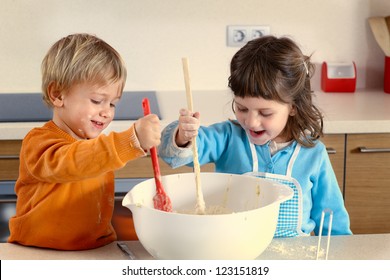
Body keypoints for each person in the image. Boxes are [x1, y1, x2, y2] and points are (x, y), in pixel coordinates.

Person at [158, 35, 352, 237]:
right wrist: (183, 135)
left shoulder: (313, 154)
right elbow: (175, 154)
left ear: (293, 107)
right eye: (242, 108)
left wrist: (342, 258)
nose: (250, 122)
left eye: (265, 113)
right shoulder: (227, 138)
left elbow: (331, 217)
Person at [8, 33, 161, 250]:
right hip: (37, 250)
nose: (107, 112)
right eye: (97, 101)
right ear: (58, 94)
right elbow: (72, 162)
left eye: (113, 104)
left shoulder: (95, 147)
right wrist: (131, 140)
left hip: (94, 248)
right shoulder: (39, 142)